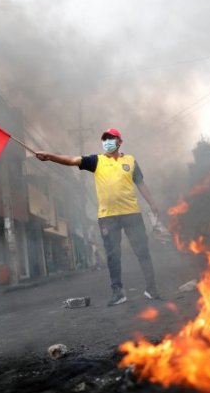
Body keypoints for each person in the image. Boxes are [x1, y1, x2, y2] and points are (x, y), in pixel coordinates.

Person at [35, 127, 162, 306]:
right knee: (113, 256)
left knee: (142, 251)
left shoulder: (130, 160)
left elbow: (140, 183)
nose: (107, 142)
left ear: (119, 142)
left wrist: (152, 203)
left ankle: (152, 288)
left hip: (132, 213)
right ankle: (118, 292)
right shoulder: (97, 161)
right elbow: (72, 160)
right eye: (105, 139)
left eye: (111, 138)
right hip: (108, 217)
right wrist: (49, 155)